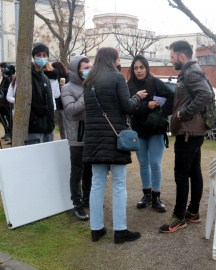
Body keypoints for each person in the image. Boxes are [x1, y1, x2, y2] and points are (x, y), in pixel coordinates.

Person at [83, 47, 147, 243]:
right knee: (119, 184)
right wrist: (138, 97)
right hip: (114, 136)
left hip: (94, 138)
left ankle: (96, 229)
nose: (120, 61)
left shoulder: (88, 81)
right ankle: (120, 230)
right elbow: (126, 106)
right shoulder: (117, 77)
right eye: (118, 58)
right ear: (113, 59)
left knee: (96, 184)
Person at [159, 40, 212, 233]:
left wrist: (184, 113)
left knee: (181, 175)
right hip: (192, 132)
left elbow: (204, 94)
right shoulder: (190, 71)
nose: (171, 60)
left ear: (181, 56)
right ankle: (193, 212)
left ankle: (179, 217)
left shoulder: (191, 72)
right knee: (194, 171)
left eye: (172, 56)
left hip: (189, 132)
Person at [127, 55, 174, 212]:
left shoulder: (155, 82)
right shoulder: (129, 85)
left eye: (141, 67)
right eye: (136, 68)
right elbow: (130, 109)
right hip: (139, 130)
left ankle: (156, 197)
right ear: (132, 70)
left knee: (155, 163)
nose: (139, 70)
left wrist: (162, 112)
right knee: (143, 163)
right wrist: (147, 105)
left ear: (146, 68)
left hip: (156, 129)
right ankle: (146, 195)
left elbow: (172, 97)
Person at [61, 55, 92, 221]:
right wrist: (87, 92)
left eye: (90, 66)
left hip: (92, 135)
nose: (88, 69)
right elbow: (71, 110)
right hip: (76, 136)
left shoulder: (93, 86)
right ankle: (77, 204)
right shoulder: (67, 88)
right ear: (76, 70)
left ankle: (88, 198)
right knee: (77, 171)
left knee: (90, 170)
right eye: (85, 67)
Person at [28, 42, 55, 144]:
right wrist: (33, 120)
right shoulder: (28, 76)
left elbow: (50, 102)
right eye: (38, 55)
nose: (41, 58)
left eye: (44, 55)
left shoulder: (45, 78)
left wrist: (51, 123)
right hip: (34, 127)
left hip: (48, 126)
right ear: (33, 56)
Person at [52, 61, 69, 140]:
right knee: (60, 125)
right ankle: (63, 140)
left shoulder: (66, 76)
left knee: (66, 124)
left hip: (64, 104)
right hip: (57, 104)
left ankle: (68, 139)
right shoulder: (53, 77)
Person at [0, 62, 15, 142]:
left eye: (2, 68)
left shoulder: (10, 78)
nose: (2, 70)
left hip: (8, 103)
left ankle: (9, 133)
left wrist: (2, 90)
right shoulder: (5, 78)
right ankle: (7, 132)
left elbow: (9, 89)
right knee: (3, 117)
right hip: (3, 102)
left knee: (9, 118)